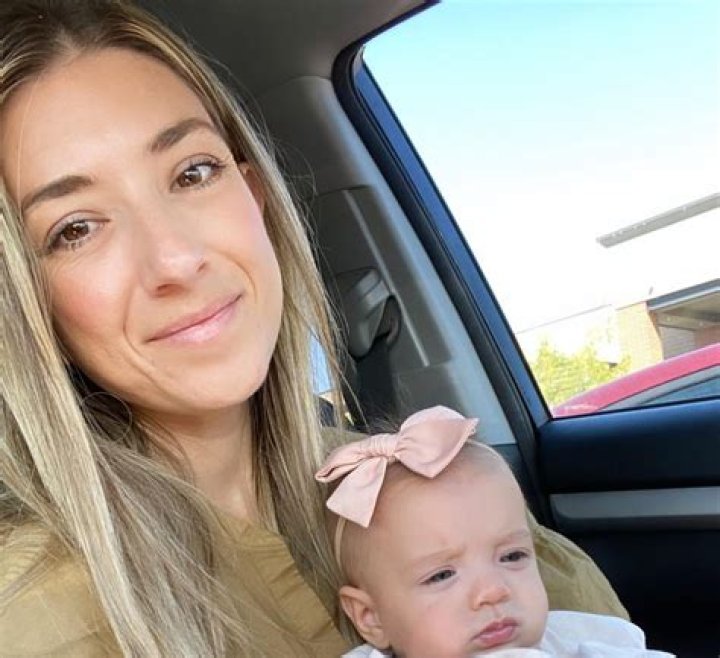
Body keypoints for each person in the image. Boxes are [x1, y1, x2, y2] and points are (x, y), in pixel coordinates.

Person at [1, 1, 627, 656]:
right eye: (75, 229)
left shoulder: (422, 487)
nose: (177, 259)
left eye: (193, 173)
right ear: (25, 303)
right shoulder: (35, 616)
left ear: (256, 198)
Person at [316, 407, 673, 658]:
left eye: (512, 556)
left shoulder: (573, 642)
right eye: (441, 575)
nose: (494, 591)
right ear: (371, 617)